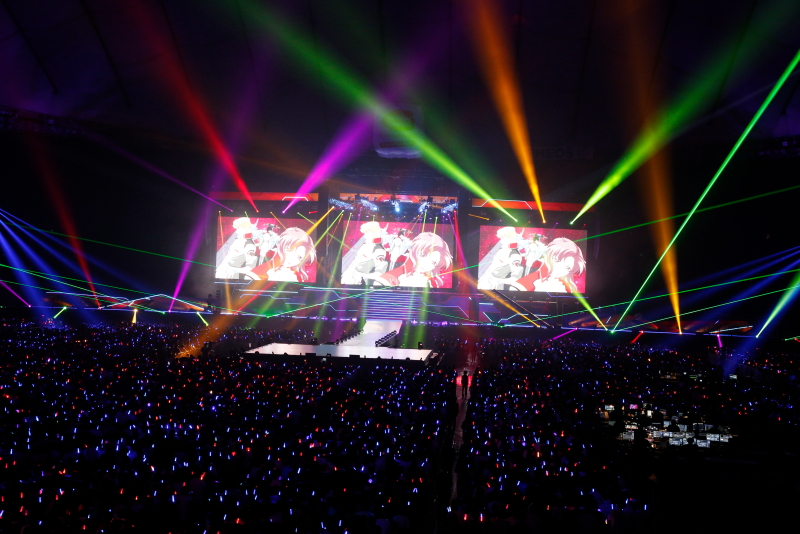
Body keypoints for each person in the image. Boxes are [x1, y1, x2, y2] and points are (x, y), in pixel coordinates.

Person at [375, 232, 452, 288]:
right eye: (422, 255)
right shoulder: (389, 278)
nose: (426, 264)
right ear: (413, 251)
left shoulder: (431, 281)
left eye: (433, 262)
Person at [510, 237, 586, 293]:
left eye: (567, 267)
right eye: (557, 260)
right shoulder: (526, 282)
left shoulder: (566, 286)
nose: (560, 268)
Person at [251, 227, 316, 282]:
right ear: (281, 246)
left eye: (299, 257)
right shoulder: (257, 273)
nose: (292, 258)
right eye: (289, 250)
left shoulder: (297, 276)